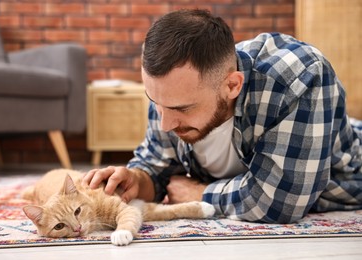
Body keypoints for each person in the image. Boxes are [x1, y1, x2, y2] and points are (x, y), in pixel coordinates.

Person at [83, 9, 362, 224]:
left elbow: (279, 201)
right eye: (155, 102)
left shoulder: (300, 76)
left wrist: (200, 194)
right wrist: (136, 179)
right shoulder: (171, 92)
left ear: (233, 85)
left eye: (182, 109)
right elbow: (157, 165)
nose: (166, 123)